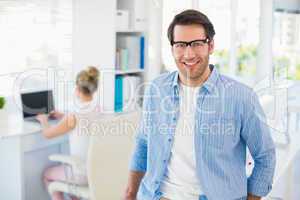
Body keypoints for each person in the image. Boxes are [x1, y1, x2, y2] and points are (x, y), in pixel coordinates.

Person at [124, 9, 276, 200]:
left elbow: (265, 156)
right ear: (172, 48)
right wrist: (130, 193)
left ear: (210, 45)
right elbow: (144, 143)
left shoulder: (241, 96)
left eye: (196, 44)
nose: (188, 54)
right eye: (180, 45)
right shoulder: (157, 89)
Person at [36, 66, 100, 200]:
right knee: (71, 188)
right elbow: (82, 120)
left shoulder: (74, 116)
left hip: (81, 175)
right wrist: (63, 116)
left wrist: (43, 120)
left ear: (77, 89)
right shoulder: (100, 110)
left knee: (47, 175)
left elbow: (47, 134)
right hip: (97, 172)